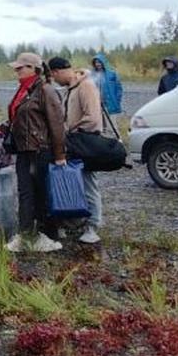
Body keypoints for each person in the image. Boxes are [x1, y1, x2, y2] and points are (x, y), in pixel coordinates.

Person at [4, 52, 67, 253]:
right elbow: (18, 117)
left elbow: (57, 125)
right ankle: (26, 235)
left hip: (41, 151)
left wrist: (59, 155)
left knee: (42, 195)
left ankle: (48, 236)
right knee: (25, 194)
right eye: (16, 67)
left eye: (20, 67)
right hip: (24, 151)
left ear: (34, 69)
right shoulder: (23, 90)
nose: (17, 70)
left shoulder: (46, 90)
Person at [49, 57, 104, 244]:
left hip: (86, 141)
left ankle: (93, 226)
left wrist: (71, 131)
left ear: (57, 72)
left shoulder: (86, 87)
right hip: (73, 141)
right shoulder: (69, 90)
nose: (54, 80)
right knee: (73, 182)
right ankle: (74, 221)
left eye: (53, 76)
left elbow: (93, 117)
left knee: (89, 183)